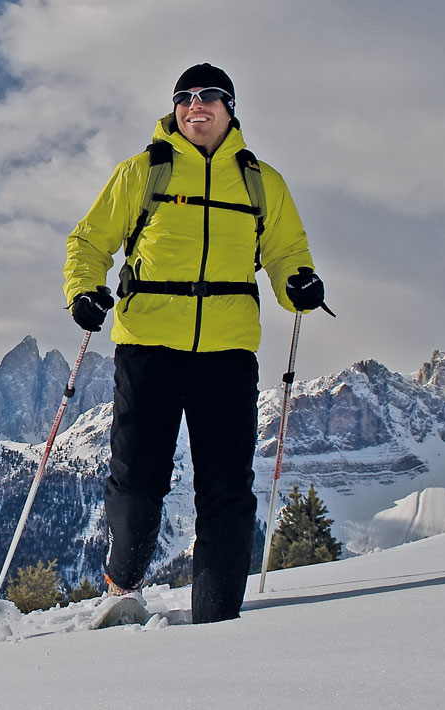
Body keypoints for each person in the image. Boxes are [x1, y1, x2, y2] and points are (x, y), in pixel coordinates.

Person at [61, 63, 327, 625]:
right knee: (139, 479)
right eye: (184, 97)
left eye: (208, 96)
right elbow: (89, 240)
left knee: (227, 489)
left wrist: (298, 281)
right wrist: (84, 289)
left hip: (228, 353)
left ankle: (218, 619)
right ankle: (123, 584)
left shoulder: (260, 181)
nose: (194, 105)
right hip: (149, 346)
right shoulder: (144, 172)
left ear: (230, 108)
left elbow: (285, 252)